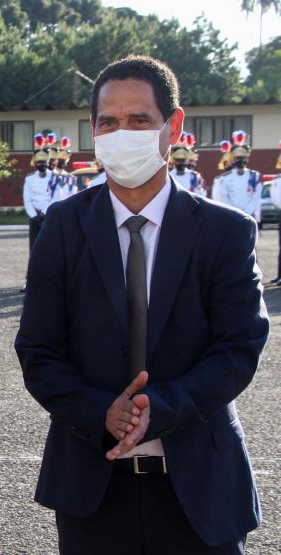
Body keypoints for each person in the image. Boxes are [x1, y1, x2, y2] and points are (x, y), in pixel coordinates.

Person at [15, 55, 267, 555]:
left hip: (200, 487)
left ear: (173, 126)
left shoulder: (225, 232)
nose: (121, 134)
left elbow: (238, 349)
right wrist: (101, 412)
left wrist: (160, 409)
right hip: (93, 486)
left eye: (139, 120)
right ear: (92, 129)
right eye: (108, 122)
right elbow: (38, 350)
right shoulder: (62, 227)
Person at [21, 134, 56, 292]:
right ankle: (31, 280)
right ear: (35, 163)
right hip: (35, 219)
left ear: (48, 162)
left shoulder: (54, 178)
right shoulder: (29, 180)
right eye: (39, 162)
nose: (41, 164)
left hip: (50, 217)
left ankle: (52, 280)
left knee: (52, 249)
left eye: (44, 162)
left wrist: (46, 212)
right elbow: (27, 199)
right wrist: (34, 216)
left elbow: (54, 196)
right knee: (34, 249)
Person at [215, 131, 262, 222]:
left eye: (243, 158)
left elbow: (256, 198)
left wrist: (247, 213)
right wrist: (236, 213)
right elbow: (224, 197)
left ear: (247, 159)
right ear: (233, 160)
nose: (240, 160)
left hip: (249, 217)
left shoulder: (255, 177)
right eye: (238, 158)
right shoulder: (225, 178)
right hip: (232, 217)